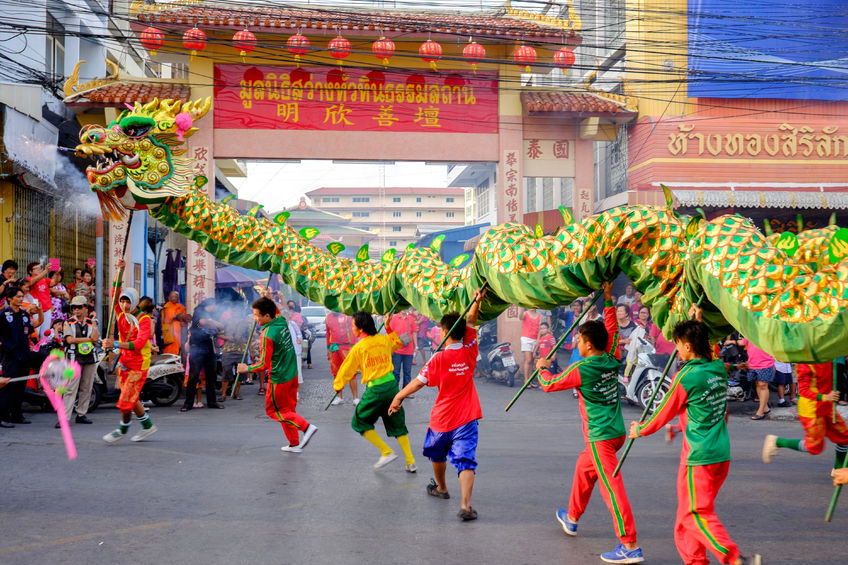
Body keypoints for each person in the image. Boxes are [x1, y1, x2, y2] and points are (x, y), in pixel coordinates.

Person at [628, 307, 760, 565]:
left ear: (688, 346)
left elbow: (662, 413)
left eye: (678, 345)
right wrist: (698, 323)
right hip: (721, 454)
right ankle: (695, 561)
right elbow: (709, 356)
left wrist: (639, 430)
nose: (676, 350)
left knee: (693, 514)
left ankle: (732, 556)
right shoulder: (717, 369)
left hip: (699, 457)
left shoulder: (686, 376)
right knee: (685, 518)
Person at [535, 282, 643, 564]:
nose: (576, 343)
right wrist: (607, 299)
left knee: (612, 487)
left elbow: (549, 385)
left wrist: (542, 369)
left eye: (580, 339)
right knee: (584, 470)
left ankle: (629, 544)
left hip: (600, 437)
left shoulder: (582, 369)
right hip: (615, 432)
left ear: (589, 344)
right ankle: (571, 518)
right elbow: (613, 330)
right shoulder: (611, 357)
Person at [389, 289, 485, 521]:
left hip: (441, 420)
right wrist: (477, 301)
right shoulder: (470, 348)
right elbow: (471, 320)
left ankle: (442, 489)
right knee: (465, 461)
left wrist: (398, 396)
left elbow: (417, 383)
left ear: (443, 332)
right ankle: (465, 505)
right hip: (466, 419)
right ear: (462, 334)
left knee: (437, 454)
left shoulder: (438, 359)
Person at [334, 310, 417, 471]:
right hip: (392, 387)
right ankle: (410, 460)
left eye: (353, 325)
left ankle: (386, 451)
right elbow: (397, 343)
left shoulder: (359, 347)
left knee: (359, 422)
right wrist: (387, 327)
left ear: (360, 328)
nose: (352, 328)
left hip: (376, 390)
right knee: (397, 422)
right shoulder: (384, 340)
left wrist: (338, 385)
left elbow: (346, 369)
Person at [237, 297, 318, 453]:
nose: (255, 318)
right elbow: (276, 308)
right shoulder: (281, 320)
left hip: (279, 378)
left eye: (256, 315)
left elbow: (263, 365)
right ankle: (294, 443)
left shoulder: (266, 334)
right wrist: (268, 297)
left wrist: (245, 368)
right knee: (288, 410)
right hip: (292, 373)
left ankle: (306, 427)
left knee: (274, 411)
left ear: (267, 316)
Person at [762, 362, 848, 472]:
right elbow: (803, 390)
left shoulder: (827, 356)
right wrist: (825, 396)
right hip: (811, 410)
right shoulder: (806, 362)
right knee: (814, 447)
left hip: (827, 406)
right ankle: (777, 442)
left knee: (844, 437)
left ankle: (839, 470)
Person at [101, 281, 158, 443]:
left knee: (126, 400)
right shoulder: (120, 314)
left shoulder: (145, 319)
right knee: (132, 397)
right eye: (122, 301)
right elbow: (114, 294)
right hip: (125, 361)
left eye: (128, 302)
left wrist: (115, 344)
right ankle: (147, 425)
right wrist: (120, 271)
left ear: (134, 302)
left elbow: (139, 343)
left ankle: (122, 429)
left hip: (139, 363)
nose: (124, 305)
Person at [0, 286, 42, 427]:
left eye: (21, 296)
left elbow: (30, 329)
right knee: (8, 387)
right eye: (17, 296)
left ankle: (17, 415)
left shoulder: (24, 315)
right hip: (10, 356)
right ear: (10, 298)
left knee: (20, 387)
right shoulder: (4, 315)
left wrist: (40, 311)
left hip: (24, 355)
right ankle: (3, 417)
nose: (20, 299)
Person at [61, 295, 100, 426]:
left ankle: (81, 414)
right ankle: (65, 418)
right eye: (74, 308)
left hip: (89, 357)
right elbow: (69, 340)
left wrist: (94, 324)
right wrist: (89, 339)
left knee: (86, 387)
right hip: (73, 358)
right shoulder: (68, 322)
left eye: (79, 308)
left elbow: (96, 337)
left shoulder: (92, 322)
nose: (76, 310)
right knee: (71, 388)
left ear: (86, 308)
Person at [182, 299, 224, 411]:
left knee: (211, 376)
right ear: (209, 305)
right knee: (193, 376)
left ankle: (212, 402)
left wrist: (214, 323)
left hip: (210, 348)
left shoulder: (213, 314)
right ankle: (188, 403)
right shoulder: (199, 311)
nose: (216, 308)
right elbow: (203, 322)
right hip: (197, 347)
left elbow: (221, 327)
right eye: (214, 305)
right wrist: (214, 323)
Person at [326, 310, 358, 405]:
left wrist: (352, 345)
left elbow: (353, 331)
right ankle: (339, 397)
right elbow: (328, 333)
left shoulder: (348, 316)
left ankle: (355, 398)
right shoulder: (328, 317)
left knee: (351, 372)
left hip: (346, 347)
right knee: (336, 373)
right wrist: (328, 348)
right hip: (334, 348)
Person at [219, 304, 250, 401]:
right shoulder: (225, 322)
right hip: (228, 350)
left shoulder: (245, 324)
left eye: (238, 311)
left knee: (240, 373)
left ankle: (236, 393)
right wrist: (227, 337)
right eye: (235, 311)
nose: (236, 313)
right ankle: (223, 394)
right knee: (226, 371)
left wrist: (251, 351)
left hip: (241, 351)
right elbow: (219, 334)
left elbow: (248, 338)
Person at [740, 337, 775, 420]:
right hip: (752, 363)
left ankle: (761, 411)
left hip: (765, 363)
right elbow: (743, 342)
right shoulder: (750, 332)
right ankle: (765, 408)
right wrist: (731, 341)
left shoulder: (767, 331)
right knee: (758, 384)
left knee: (763, 385)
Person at [389, 309, 417, 389]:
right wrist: (391, 348)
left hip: (409, 350)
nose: (404, 309)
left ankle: (406, 391)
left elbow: (414, 333)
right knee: (396, 372)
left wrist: (416, 347)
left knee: (407, 372)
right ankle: (395, 390)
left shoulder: (411, 319)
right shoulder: (394, 319)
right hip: (397, 350)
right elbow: (390, 334)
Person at [26, 262, 52, 337]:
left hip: (46, 309)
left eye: (40, 268)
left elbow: (54, 282)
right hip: (36, 309)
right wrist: (46, 271)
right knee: (35, 332)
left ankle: (43, 347)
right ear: (30, 271)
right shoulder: (29, 279)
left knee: (45, 333)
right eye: (36, 269)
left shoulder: (44, 280)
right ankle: (34, 348)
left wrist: (57, 273)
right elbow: (32, 282)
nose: (39, 270)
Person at [519, 308, 542, 388]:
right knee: (528, 359)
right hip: (526, 338)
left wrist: (538, 340)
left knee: (532, 360)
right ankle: (525, 380)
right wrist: (521, 307)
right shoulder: (525, 313)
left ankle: (530, 380)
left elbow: (539, 329)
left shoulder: (539, 316)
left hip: (535, 339)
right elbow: (520, 317)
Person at [161, 291, 188, 356]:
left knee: (178, 349)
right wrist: (177, 316)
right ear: (169, 298)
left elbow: (184, 317)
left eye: (176, 296)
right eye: (172, 296)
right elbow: (168, 318)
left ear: (178, 298)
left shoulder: (180, 306)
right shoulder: (167, 306)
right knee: (170, 350)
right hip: (170, 332)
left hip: (179, 331)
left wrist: (180, 318)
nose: (174, 298)